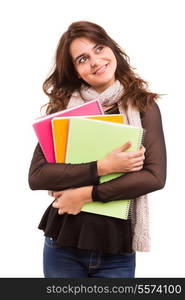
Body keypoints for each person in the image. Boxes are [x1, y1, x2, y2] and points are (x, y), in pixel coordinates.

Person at [28, 21, 166, 278]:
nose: (95, 61)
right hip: (63, 245)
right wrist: (103, 167)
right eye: (82, 59)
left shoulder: (143, 106)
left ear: (112, 49)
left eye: (99, 48)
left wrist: (86, 194)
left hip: (117, 251)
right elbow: (38, 176)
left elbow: (154, 177)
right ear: (76, 72)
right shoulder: (65, 112)